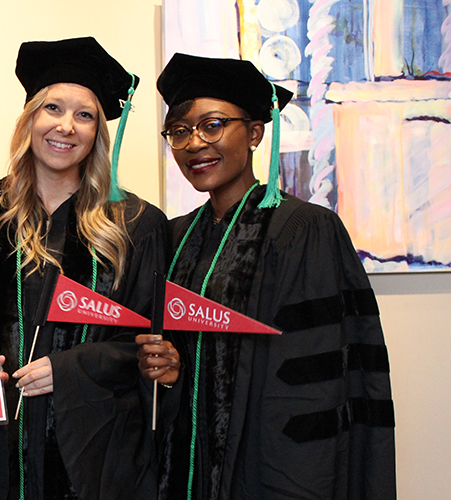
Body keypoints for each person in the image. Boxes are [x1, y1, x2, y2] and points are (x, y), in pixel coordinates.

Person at [144, 52, 396, 500]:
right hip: (188, 467)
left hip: (267, 470)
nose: (195, 143)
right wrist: (171, 368)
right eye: (179, 132)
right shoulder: (175, 237)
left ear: (256, 133)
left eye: (214, 124)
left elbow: (311, 382)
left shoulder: (304, 230)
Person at [0, 37, 170, 499]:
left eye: (84, 115)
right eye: (52, 109)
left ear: (98, 133)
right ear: (29, 120)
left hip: (92, 448)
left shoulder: (137, 225)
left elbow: (151, 344)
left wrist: (69, 369)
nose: (66, 126)